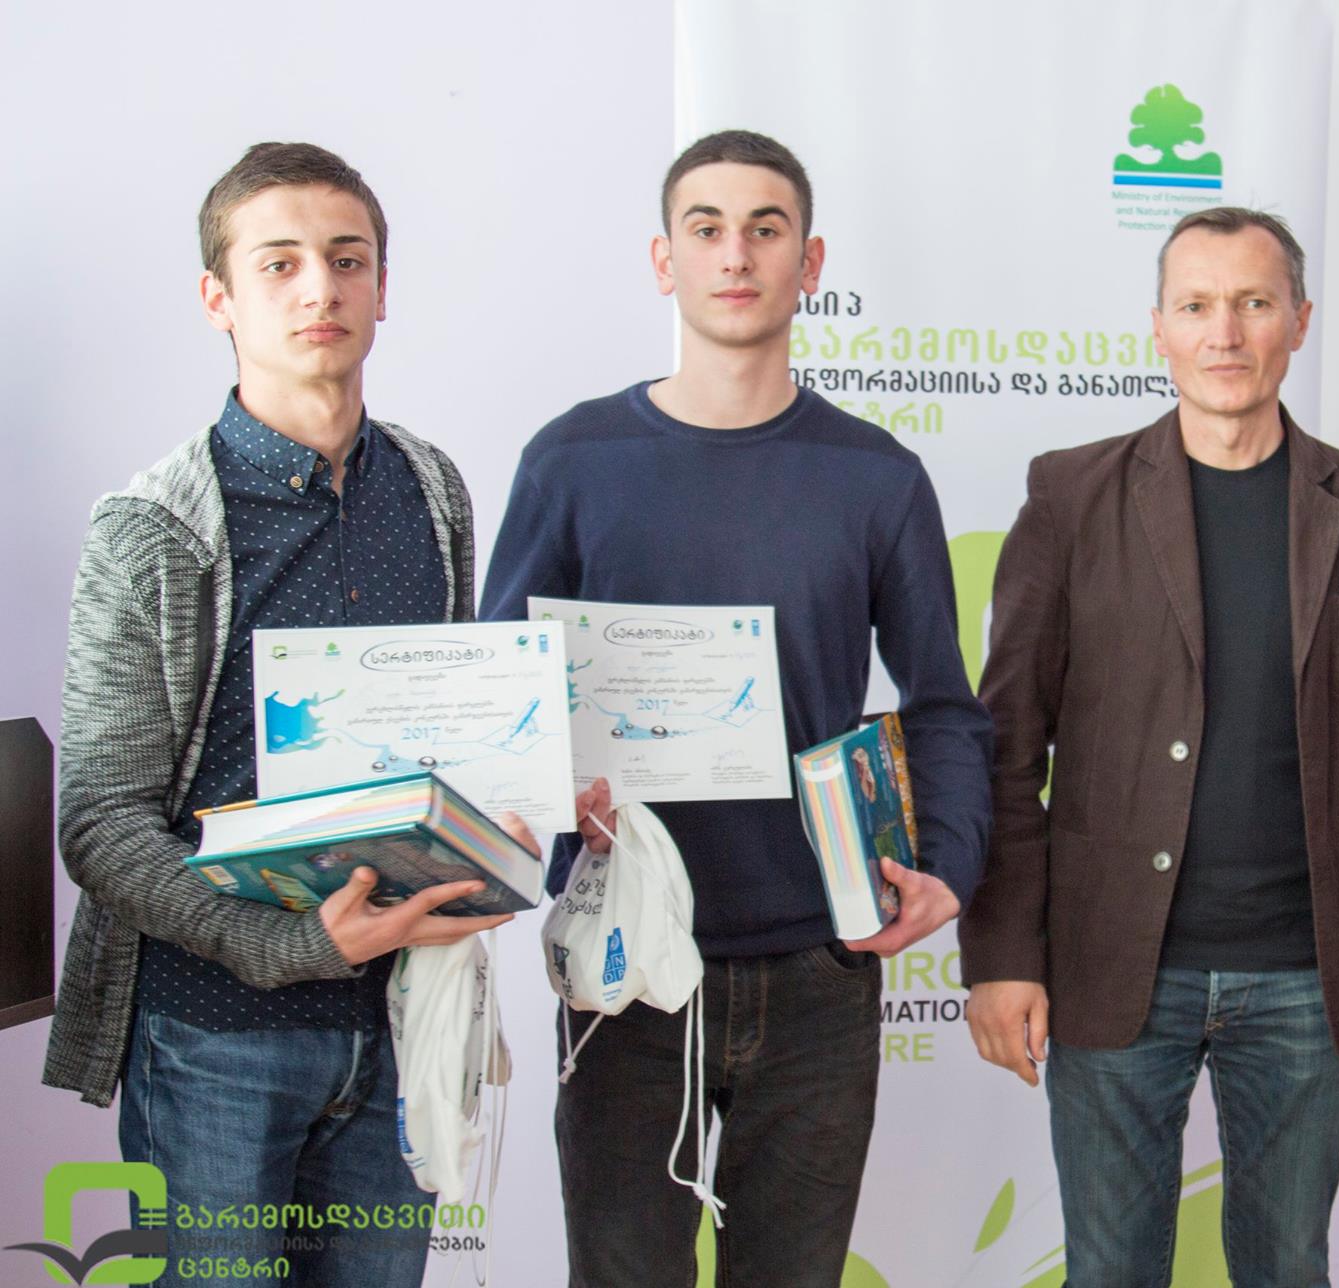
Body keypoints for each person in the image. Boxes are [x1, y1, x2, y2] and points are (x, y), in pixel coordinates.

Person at [479, 129, 992, 1287]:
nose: (735, 254)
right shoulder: (571, 461)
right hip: (623, 958)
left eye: (765, 229)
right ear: (663, 260)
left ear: (809, 263)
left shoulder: (875, 476)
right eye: (705, 228)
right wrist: (545, 802)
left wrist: (949, 865)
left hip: (817, 962)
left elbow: (943, 707)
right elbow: (500, 702)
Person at [43, 142, 522, 1287]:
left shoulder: (431, 487)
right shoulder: (151, 527)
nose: (321, 288)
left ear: (382, 288)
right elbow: (101, 822)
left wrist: (515, 801)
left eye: (348, 260)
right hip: (212, 1036)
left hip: (398, 1023)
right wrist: (293, 945)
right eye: (280, 263)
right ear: (219, 297)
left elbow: (439, 739)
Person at [960, 207, 1339, 1288]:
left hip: (1306, 974)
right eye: (1195, 305)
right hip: (1111, 964)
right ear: (1158, 327)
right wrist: (999, 954)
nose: (1223, 332)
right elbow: (1006, 747)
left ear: (1299, 321)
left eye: (1252, 303)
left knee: (1287, 1268)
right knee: (1109, 1272)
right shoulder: (1071, 495)